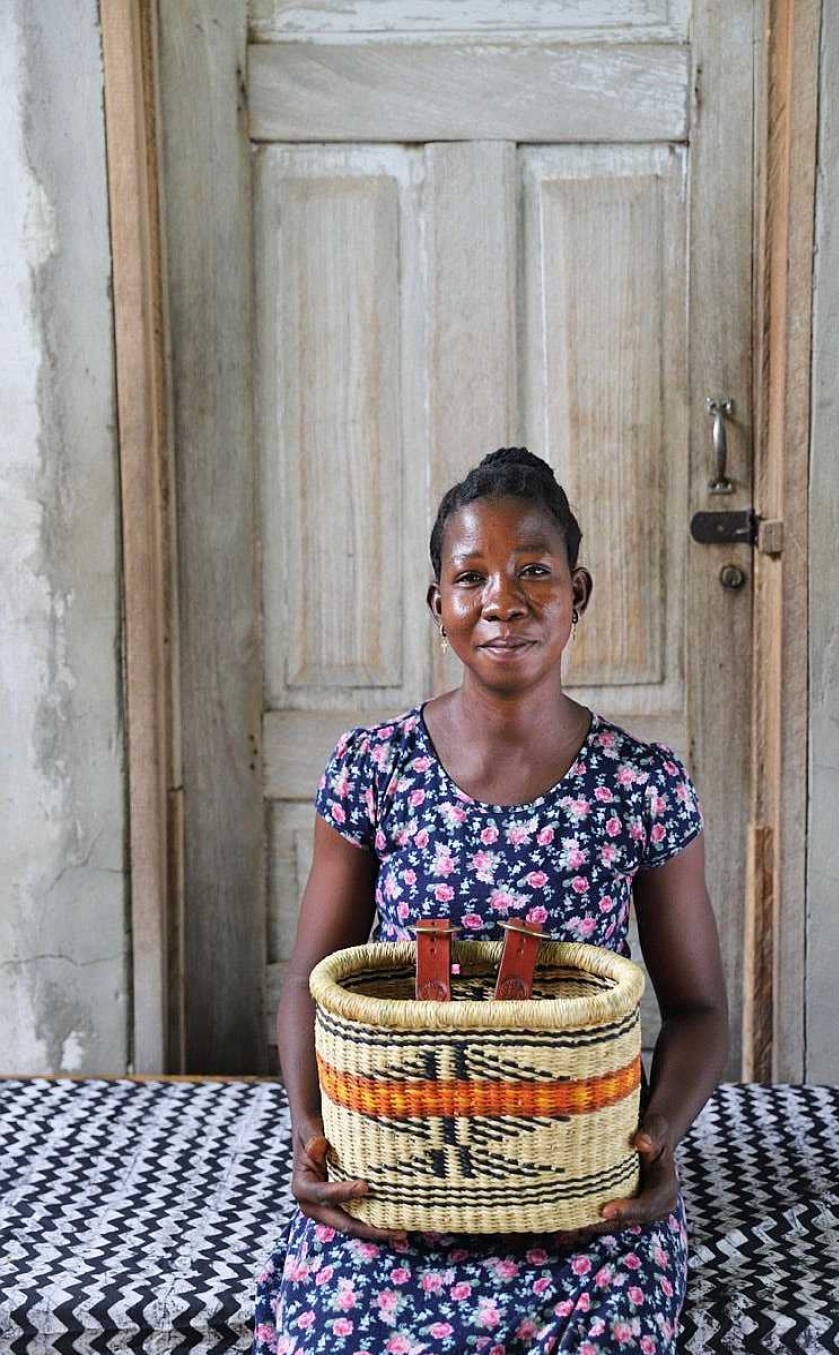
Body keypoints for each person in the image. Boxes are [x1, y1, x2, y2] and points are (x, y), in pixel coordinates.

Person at [254, 447, 729, 1354]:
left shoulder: (641, 784)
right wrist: (311, 1132)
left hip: (575, 1188)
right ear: (438, 606)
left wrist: (658, 1144)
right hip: (396, 1179)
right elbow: (309, 982)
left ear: (577, 592)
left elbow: (702, 1008)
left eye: (534, 571)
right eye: (469, 576)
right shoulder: (375, 768)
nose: (501, 600)